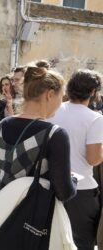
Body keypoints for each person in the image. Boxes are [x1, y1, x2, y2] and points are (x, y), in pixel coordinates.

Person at [0, 63, 77, 249]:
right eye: (60, 96)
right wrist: (73, 181)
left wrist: (6, 177)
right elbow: (64, 192)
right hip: (29, 216)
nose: (61, 101)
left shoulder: (4, 123)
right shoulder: (55, 134)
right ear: (49, 94)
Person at [48, 69, 103, 250]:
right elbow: (94, 159)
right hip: (82, 191)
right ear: (93, 91)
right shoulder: (95, 119)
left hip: (52, 185)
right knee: (81, 243)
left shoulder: (53, 111)